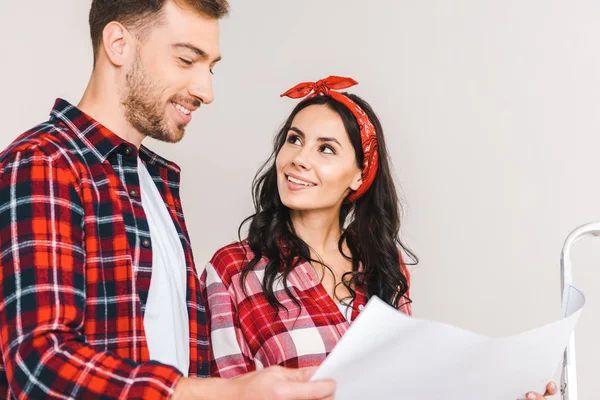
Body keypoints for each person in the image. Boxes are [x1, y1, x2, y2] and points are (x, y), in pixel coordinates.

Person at [0, 1, 335, 399]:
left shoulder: (154, 181)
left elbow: (175, 352)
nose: (205, 91)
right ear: (118, 44)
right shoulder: (42, 163)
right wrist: (224, 395)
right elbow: (38, 366)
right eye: (186, 60)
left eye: (210, 67)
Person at [201, 76, 558, 400]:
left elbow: (410, 387)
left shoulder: (382, 267)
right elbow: (224, 390)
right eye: (295, 140)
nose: (299, 159)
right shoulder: (234, 270)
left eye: (325, 148)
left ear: (359, 175)